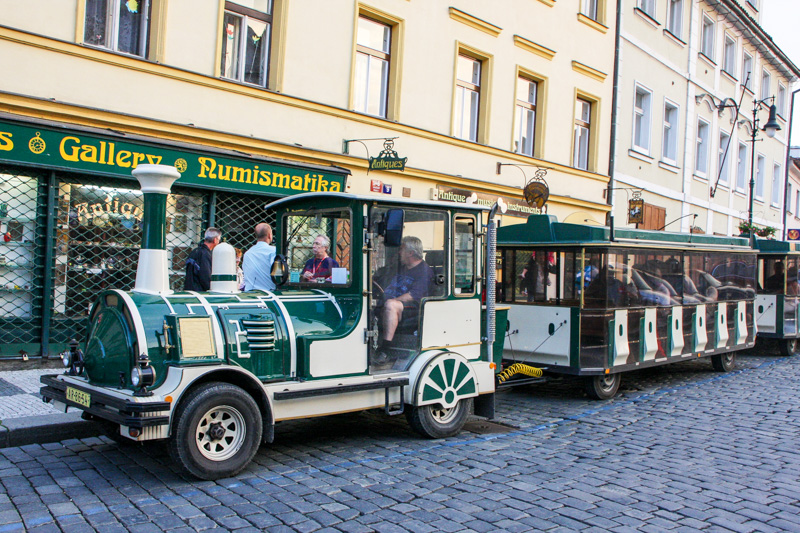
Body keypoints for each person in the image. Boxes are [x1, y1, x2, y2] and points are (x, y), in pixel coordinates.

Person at [376, 236, 434, 358]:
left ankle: (386, 348)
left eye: (401, 249)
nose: (399, 253)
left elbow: (414, 295)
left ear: (410, 253)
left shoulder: (424, 270)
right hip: (391, 301)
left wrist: (391, 300)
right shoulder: (401, 268)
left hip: (412, 309)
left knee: (391, 305)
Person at [184, 227, 221, 292]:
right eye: (218, 240)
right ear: (215, 240)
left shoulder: (194, 252)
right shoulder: (205, 254)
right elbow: (205, 277)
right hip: (199, 293)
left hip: (188, 290)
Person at [242, 223, 276, 291]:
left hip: (249, 293)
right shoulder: (273, 251)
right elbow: (277, 274)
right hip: (268, 293)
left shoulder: (248, 253)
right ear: (269, 235)